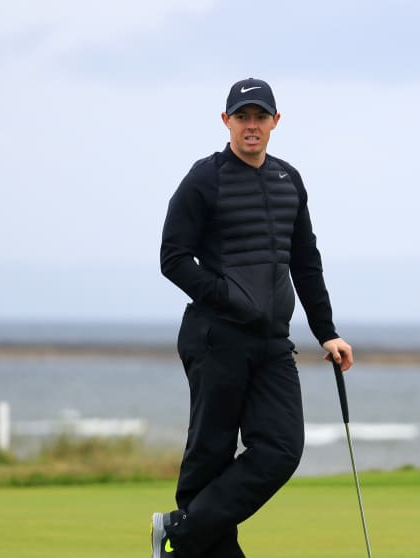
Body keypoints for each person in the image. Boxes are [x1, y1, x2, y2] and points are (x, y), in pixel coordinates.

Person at [151, 78, 354, 558]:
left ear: (275, 122)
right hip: (215, 336)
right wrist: (225, 296)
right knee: (211, 454)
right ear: (226, 122)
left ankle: (180, 530)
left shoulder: (289, 180)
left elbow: (305, 261)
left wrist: (326, 332)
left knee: (281, 449)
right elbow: (173, 256)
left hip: (272, 342)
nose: (251, 126)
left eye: (260, 117)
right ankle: (193, 537)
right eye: (242, 117)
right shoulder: (205, 178)